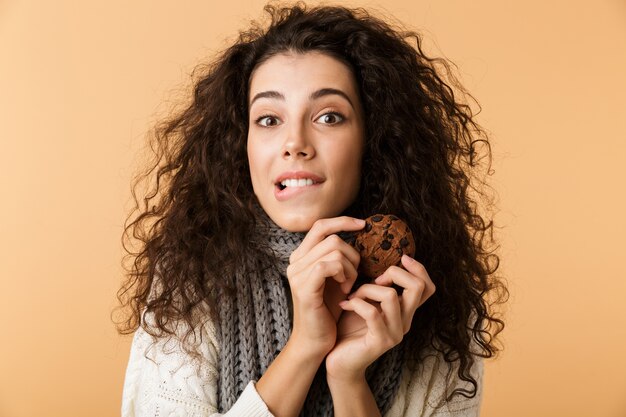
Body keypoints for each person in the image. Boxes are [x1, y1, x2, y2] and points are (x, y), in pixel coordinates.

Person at [116, 2, 508, 416]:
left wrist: (347, 376)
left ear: (373, 138)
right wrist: (305, 346)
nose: (295, 142)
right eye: (269, 119)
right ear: (241, 143)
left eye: (328, 116)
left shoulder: (432, 300)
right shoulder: (188, 279)